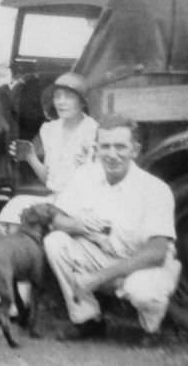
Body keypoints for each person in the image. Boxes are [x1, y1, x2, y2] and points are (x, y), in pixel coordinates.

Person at [44, 114, 181, 338]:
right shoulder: (84, 175)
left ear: (135, 150)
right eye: (105, 146)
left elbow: (156, 253)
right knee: (55, 242)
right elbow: (56, 220)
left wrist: (100, 277)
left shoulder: (155, 189)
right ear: (96, 149)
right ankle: (88, 319)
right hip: (103, 254)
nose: (112, 154)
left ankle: (152, 326)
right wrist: (78, 225)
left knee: (144, 292)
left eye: (120, 147)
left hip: (143, 264)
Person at [0, 72, 98, 233]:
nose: (61, 102)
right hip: (55, 199)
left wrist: (85, 167)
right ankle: (18, 255)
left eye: (68, 96)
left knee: (39, 222)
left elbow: (97, 184)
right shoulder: (50, 130)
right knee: (14, 210)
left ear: (82, 101)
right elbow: (50, 180)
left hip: (82, 205)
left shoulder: (93, 130)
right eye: (57, 96)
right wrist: (30, 156)